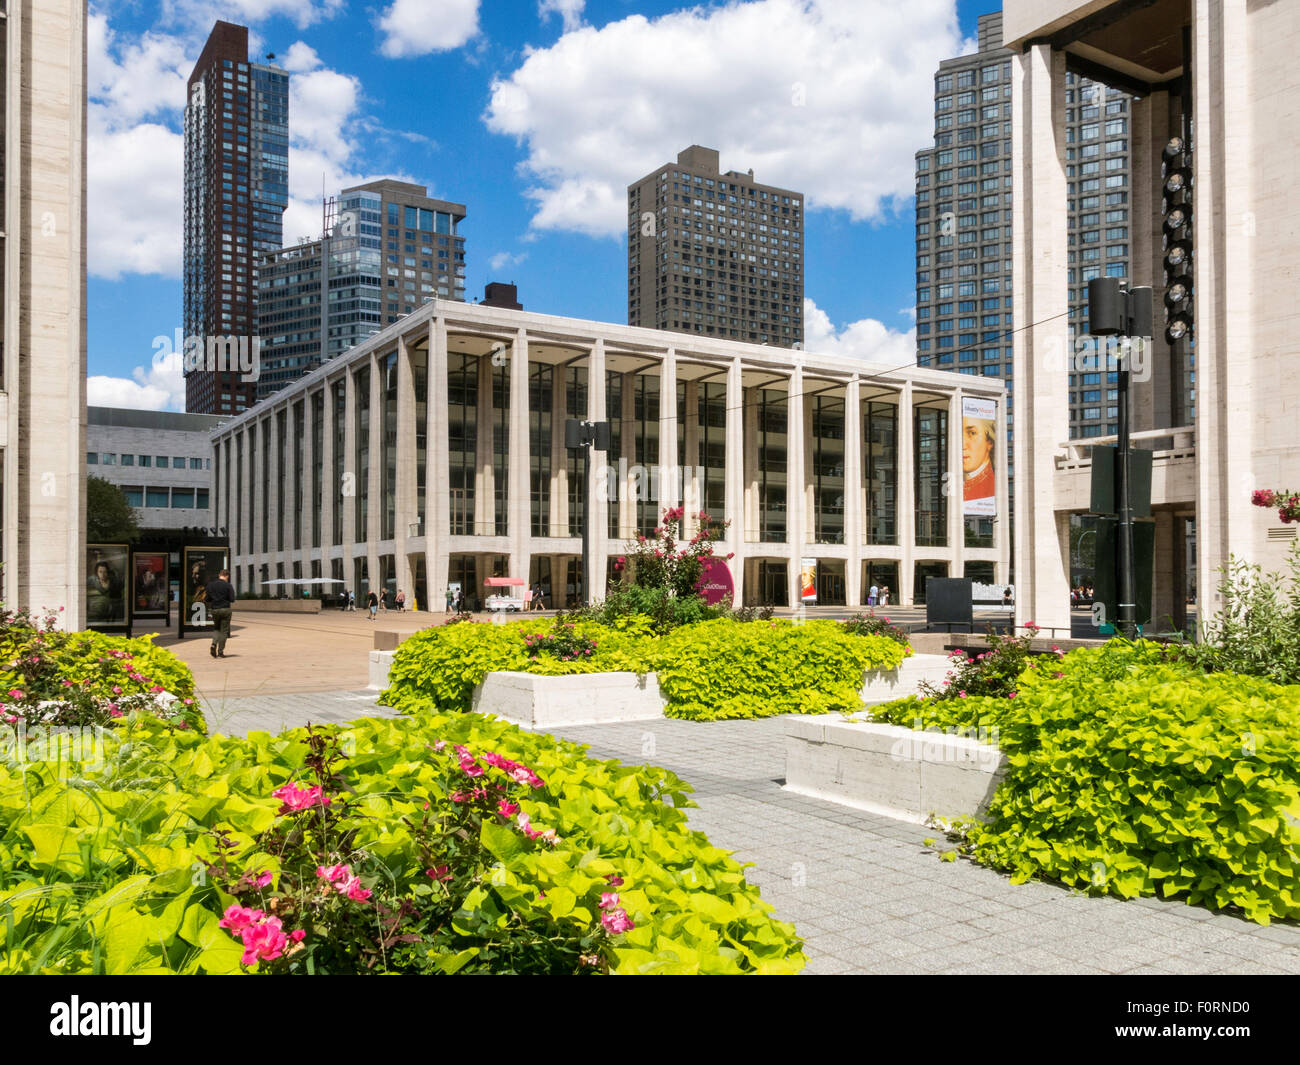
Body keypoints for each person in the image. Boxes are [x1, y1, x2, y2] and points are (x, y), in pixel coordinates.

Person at [206, 568, 236, 658]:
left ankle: (213, 644)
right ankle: (220, 652)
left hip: (214, 609)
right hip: (225, 610)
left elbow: (207, 599)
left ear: (219, 575)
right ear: (227, 576)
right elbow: (232, 599)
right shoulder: (228, 585)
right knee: (224, 631)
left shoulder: (210, 585)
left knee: (216, 628)